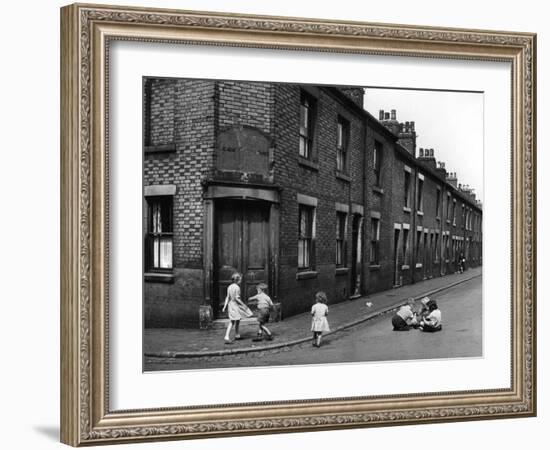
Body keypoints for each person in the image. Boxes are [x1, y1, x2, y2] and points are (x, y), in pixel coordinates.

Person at [222, 273, 253, 344]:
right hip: (235, 305)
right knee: (232, 321)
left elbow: (227, 297)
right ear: (237, 280)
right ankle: (226, 336)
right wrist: (243, 304)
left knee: (237, 319)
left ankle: (237, 334)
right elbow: (237, 298)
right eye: (240, 280)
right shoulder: (237, 287)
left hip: (231, 305)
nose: (241, 281)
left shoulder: (229, 287)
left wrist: (224, 306)